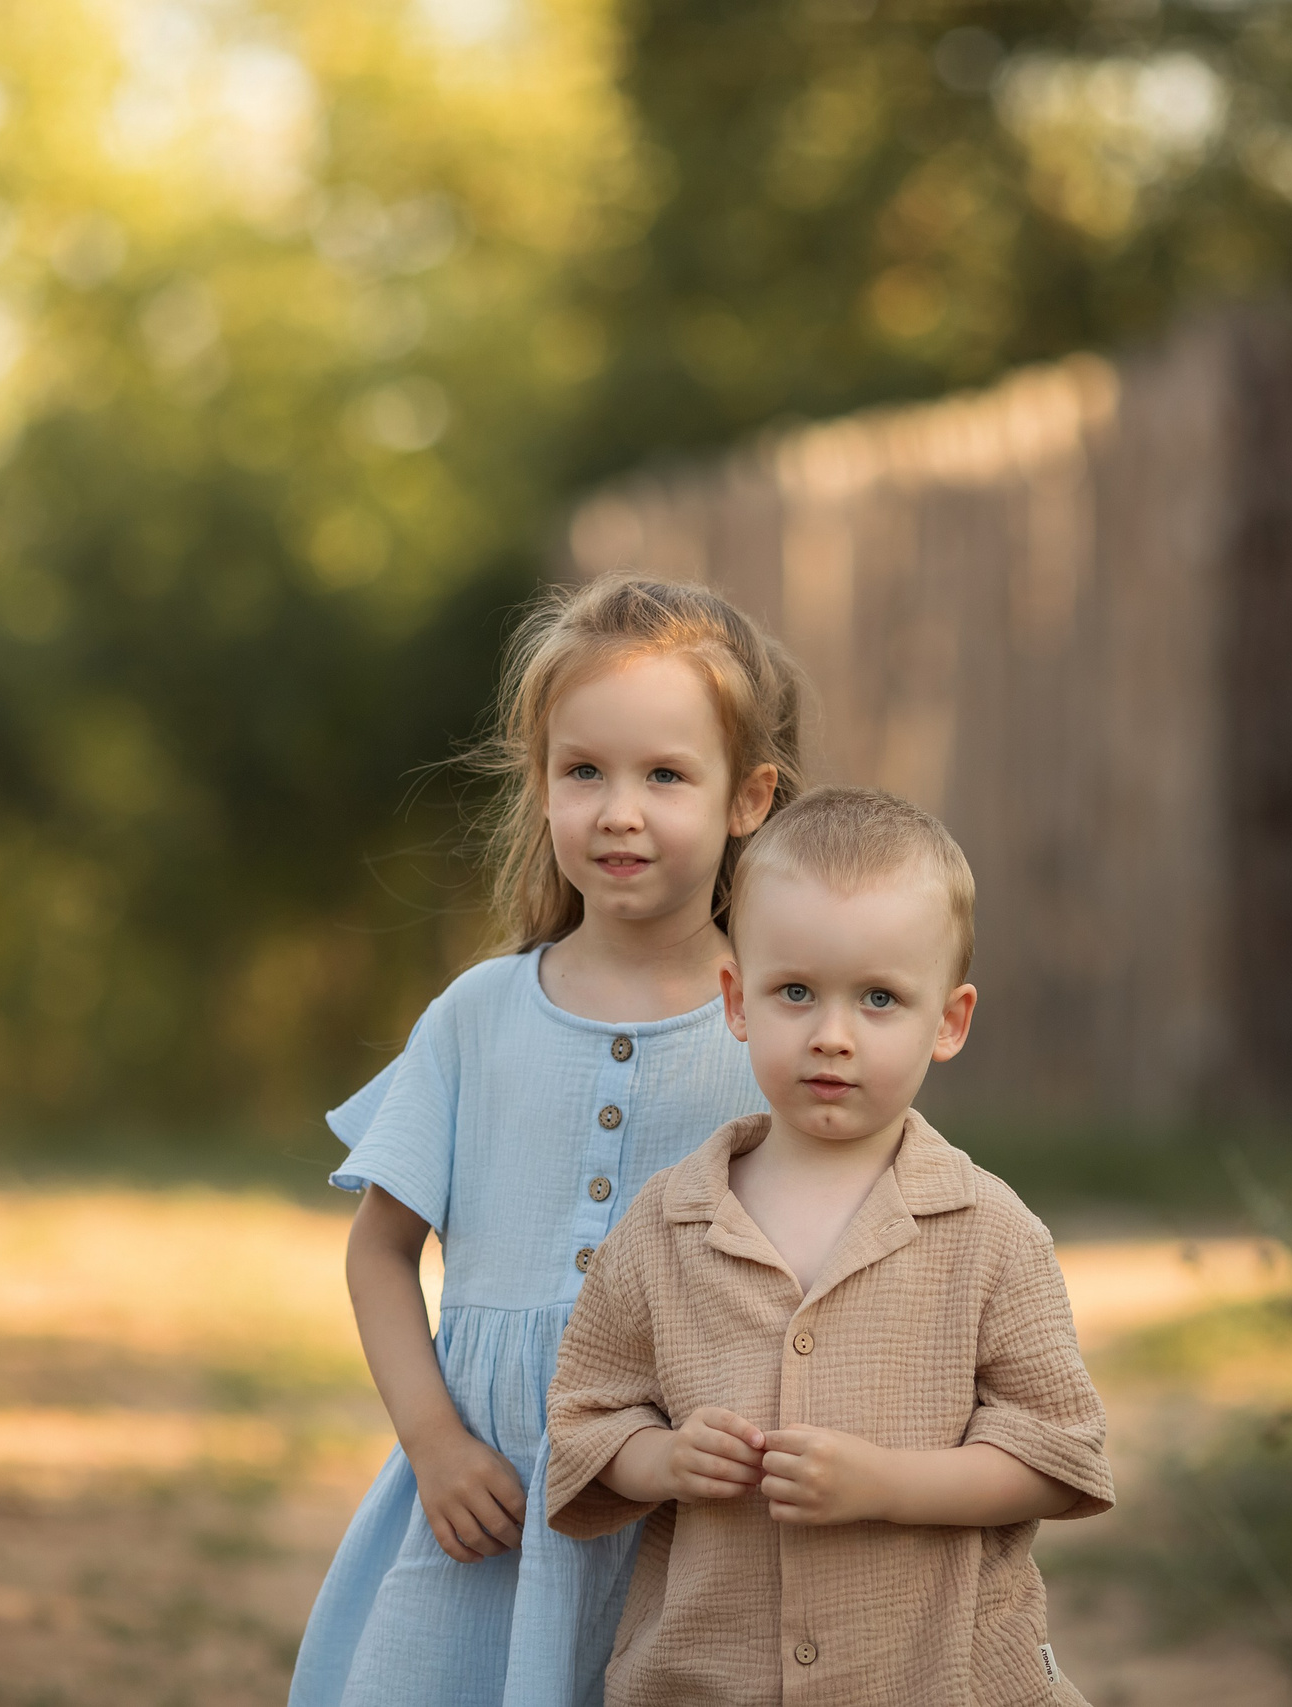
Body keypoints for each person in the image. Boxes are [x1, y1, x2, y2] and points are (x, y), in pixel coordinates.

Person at [289, 577, 809, 1707]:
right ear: (540, 788)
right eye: (582, 772)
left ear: (747, 796)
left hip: (689, 1516)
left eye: (664, 775)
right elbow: (379, 1251)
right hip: (490, 1502)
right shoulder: (476, 1016)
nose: (618, 810)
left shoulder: (772, 1032)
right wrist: (432, 1442)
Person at [541, 786, 1113, 1707]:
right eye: (796, 991)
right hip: (709, 1678)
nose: (832, 1036)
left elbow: (1057, 1453)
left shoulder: (992, 1233)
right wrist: (666, 1460)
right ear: (737, 998)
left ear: (950, 1020)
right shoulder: (666, 1225)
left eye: (880, 998)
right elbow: (585, 1417)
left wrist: (888, 1483)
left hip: (931, 1679)